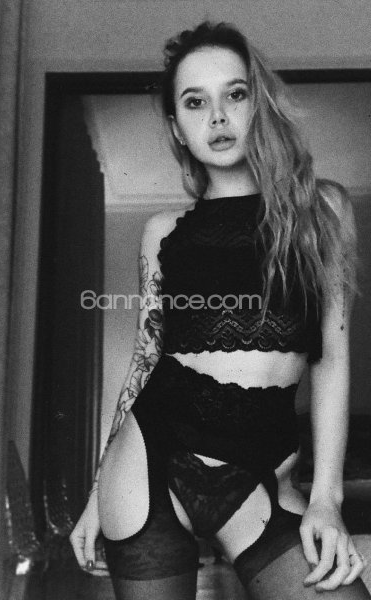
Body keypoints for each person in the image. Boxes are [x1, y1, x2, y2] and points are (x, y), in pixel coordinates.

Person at [70, 20, 369, 600]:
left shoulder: (323, 211)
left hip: (263, 473)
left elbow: (331, 359)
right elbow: (145, 362)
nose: (217, 117)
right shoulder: (162, 233)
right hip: (149, 464)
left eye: (235, 94)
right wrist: (97, 493)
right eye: (195, 102)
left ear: (260, 106)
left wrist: (327, 498)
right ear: (176, 128)